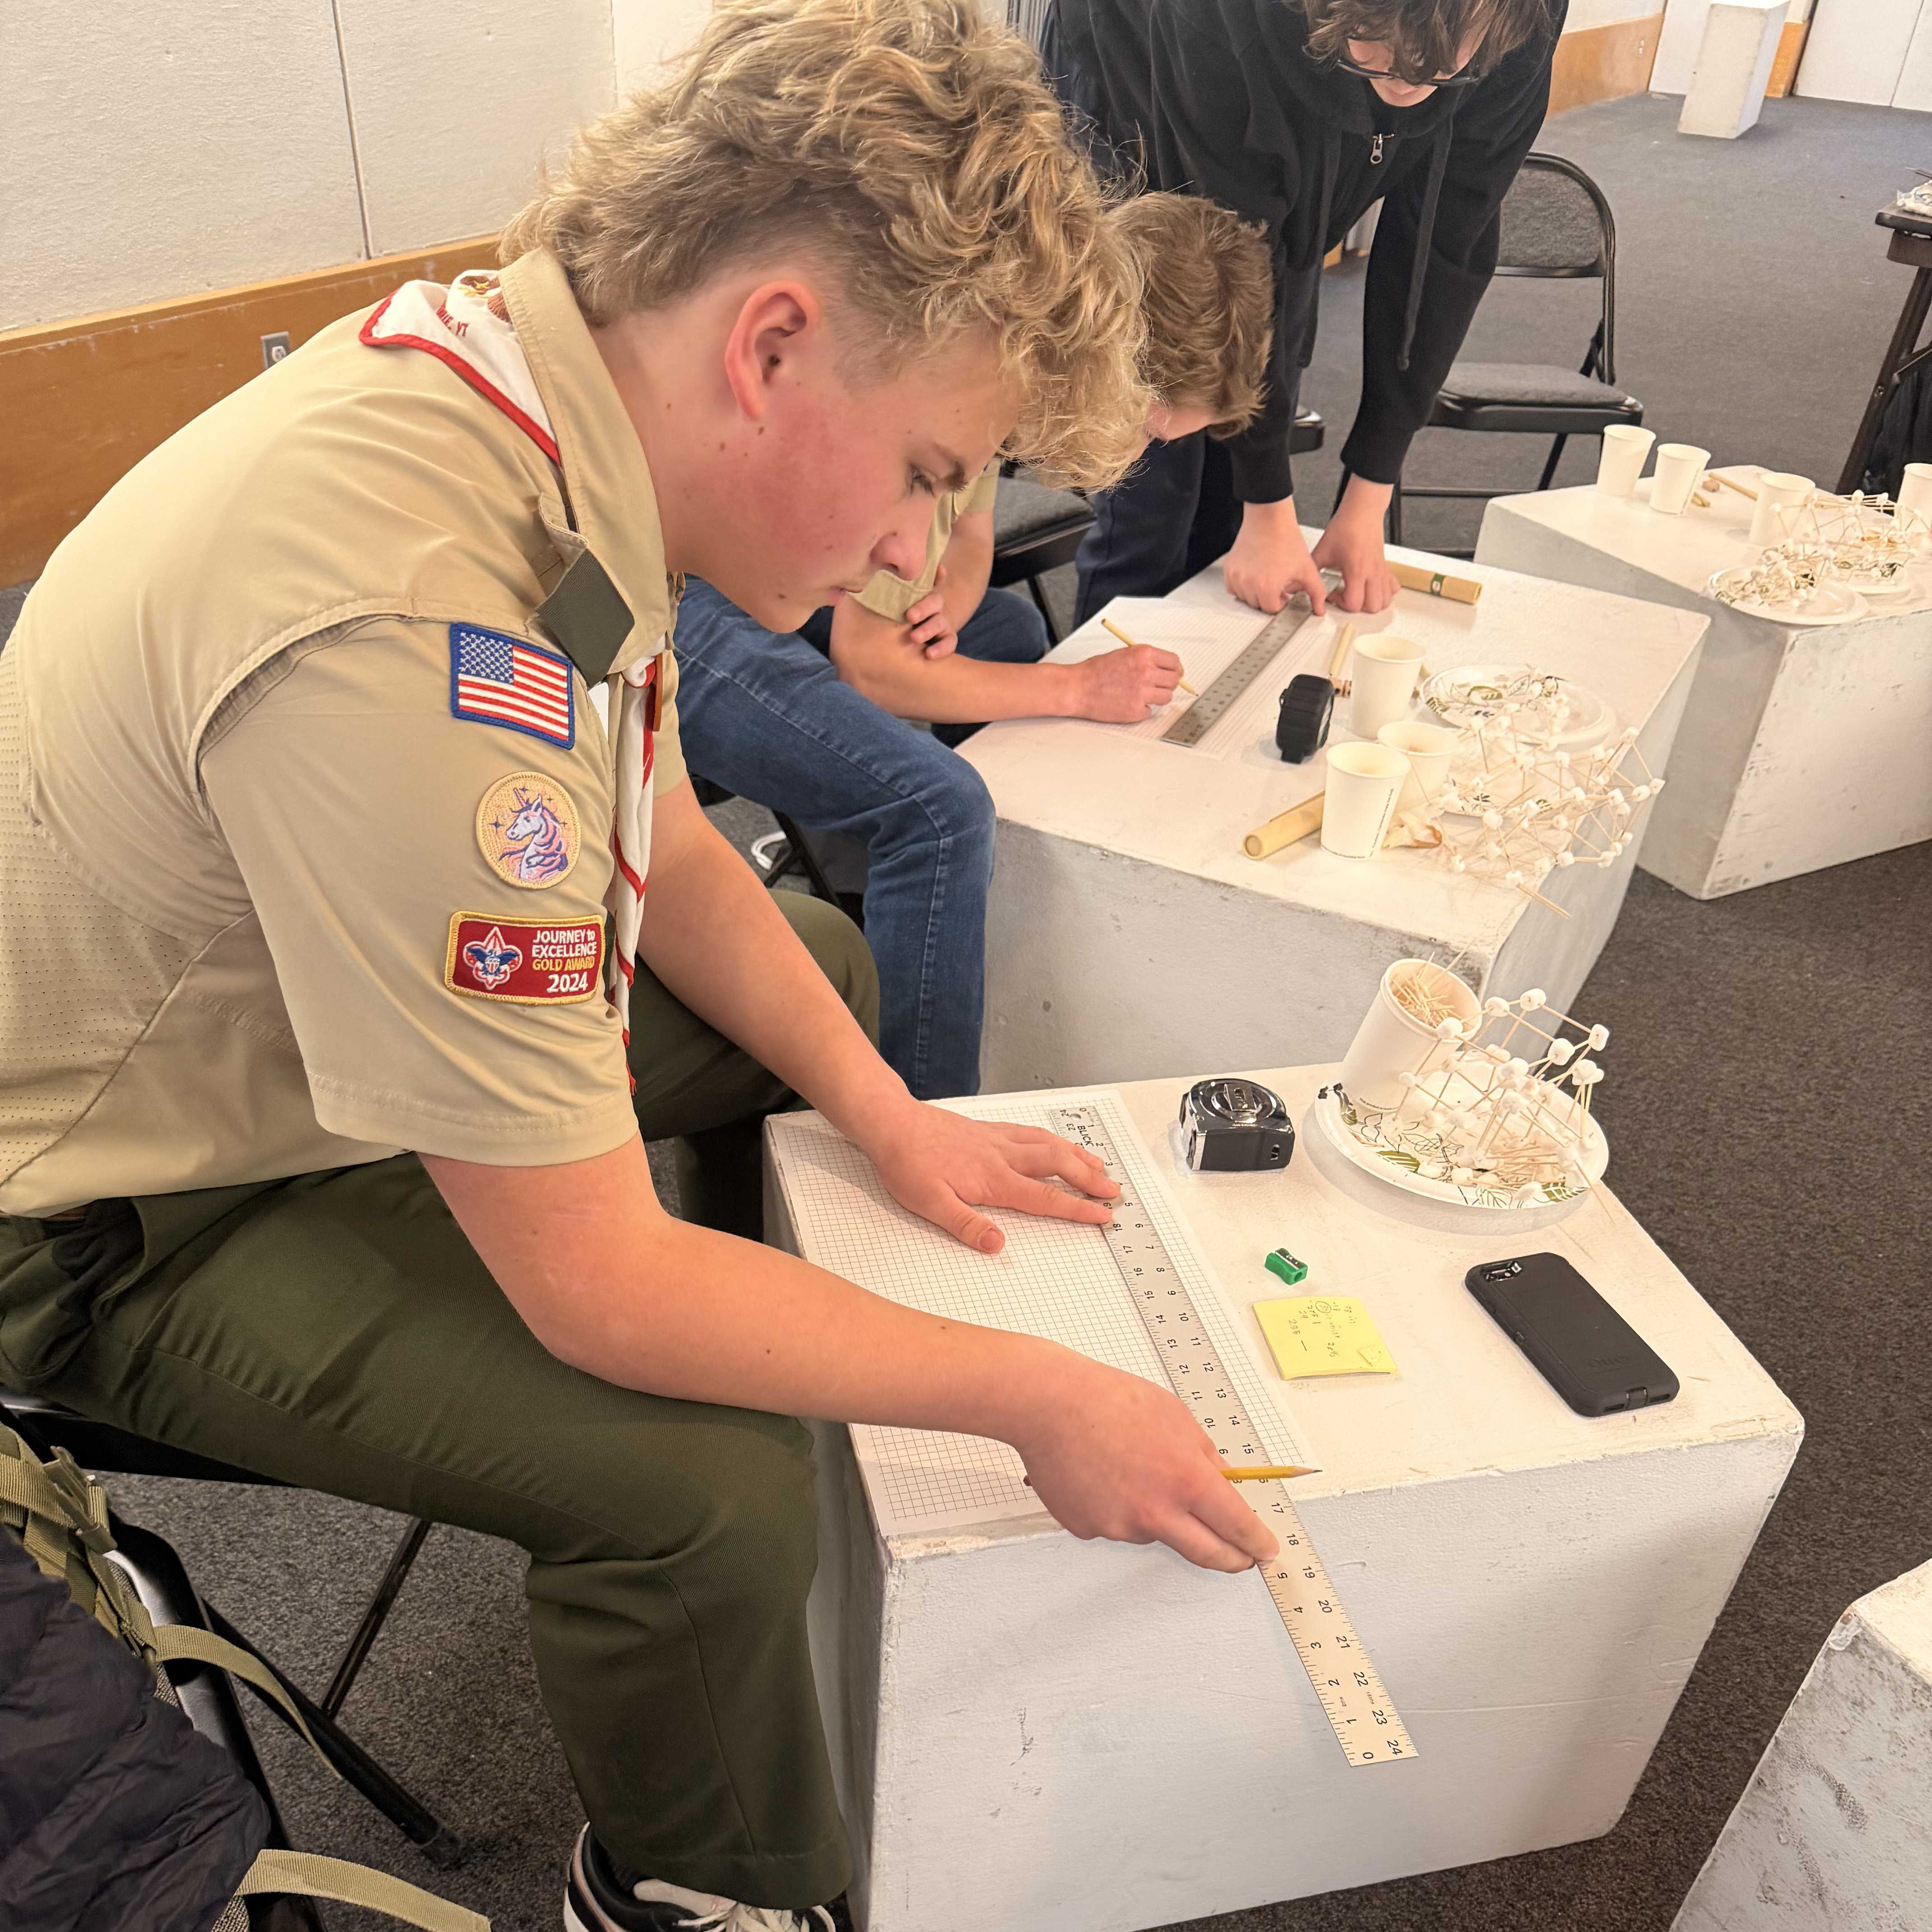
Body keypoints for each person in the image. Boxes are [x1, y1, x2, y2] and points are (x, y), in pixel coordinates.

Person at [0, 4, 1284, 1929]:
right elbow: (594, 1289)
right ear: (770, 345)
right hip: (118, 1216)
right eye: (938, 469)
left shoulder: (527, 407)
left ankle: (765, 1333)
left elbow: (659, 834)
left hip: (293, 1041)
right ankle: (704, 1892)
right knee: (714, 1484)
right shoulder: (415, 619)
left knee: (828, 980)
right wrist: (1033, 1394)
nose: (928, 550)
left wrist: (886, 1125)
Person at [674, 192, 1274, 1100]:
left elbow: (967, 538)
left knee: (1009, 629)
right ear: (1112, 371)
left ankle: (917, 890)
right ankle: (929, 1108)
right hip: (686, 604)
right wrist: (1075, 692)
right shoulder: (956, 376)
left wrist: (945, 594)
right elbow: (873, 668)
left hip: (778, 576)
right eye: (1154, 426)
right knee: (939, 810)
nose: (1147, 453)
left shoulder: (1011, 346)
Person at [1046, 0, 1564, 622]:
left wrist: (1369, 495)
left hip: (1291, 96)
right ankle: (1102, 677)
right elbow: (1235, 252)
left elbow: (1445, 252)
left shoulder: (1519, 26)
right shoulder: (1213, 22)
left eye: (1441, 67)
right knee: (1161, 471)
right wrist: (1269, 507)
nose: (1405, 84)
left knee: (1233, 502)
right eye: (1381, 44)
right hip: (1142, 111)